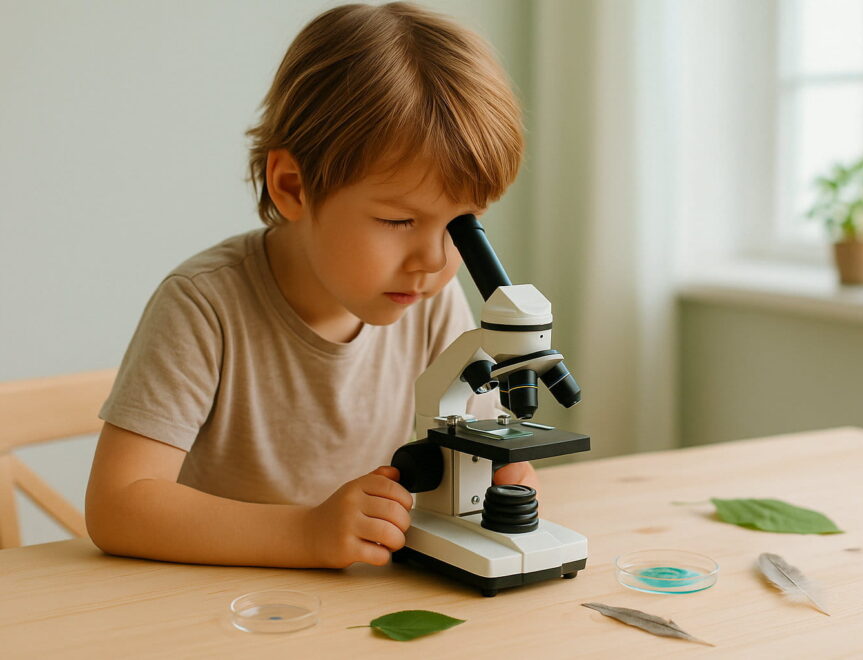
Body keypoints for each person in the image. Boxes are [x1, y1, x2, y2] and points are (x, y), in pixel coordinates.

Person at [85, 1, 538, 570]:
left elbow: (479, 446)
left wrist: (500, 471)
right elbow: (118, 506)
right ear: (293, 186)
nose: (433, 259)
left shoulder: (433, 300)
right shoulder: (204, 305)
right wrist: (306, 533)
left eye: (462, 226)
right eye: (398, 221)